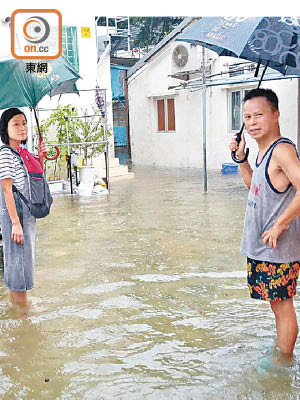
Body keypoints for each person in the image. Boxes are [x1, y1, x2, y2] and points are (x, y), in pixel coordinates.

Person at [229, 88, 300, 365]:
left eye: (259, 114)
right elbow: (254, 186)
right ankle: (281, 349)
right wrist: (241, 158)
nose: (252, 121)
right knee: (277, 305)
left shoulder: (281, 150)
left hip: (278, 248)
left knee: (283, 308)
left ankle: (283, 362)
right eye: (247, 116)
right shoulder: (262, 152)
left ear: (276, 115)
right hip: (263, 247)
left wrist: (280, 225)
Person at [0, 108, 47, 309]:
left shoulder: (22, 153)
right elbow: (7, 190)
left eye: (24, 123)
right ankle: (22, 313)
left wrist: (41, 156)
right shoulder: (5, 154)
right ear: (5, 129)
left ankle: (19, 305)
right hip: (16, 216)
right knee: (18, 263)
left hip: (25, 216)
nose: (22, 128)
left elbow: (33, 180)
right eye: (16, 124)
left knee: (24, 260)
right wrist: (15, 224)